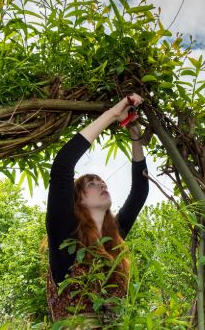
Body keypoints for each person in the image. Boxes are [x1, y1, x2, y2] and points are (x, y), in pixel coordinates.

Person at [46, 93, 149, 322]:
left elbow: (140, 192)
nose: (102, 184)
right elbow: (63, 166)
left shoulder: (113, 237)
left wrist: (135, 135)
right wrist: (113, 114)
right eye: (91, 184)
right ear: (78, 200)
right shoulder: (65, 234)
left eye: (102, 182)